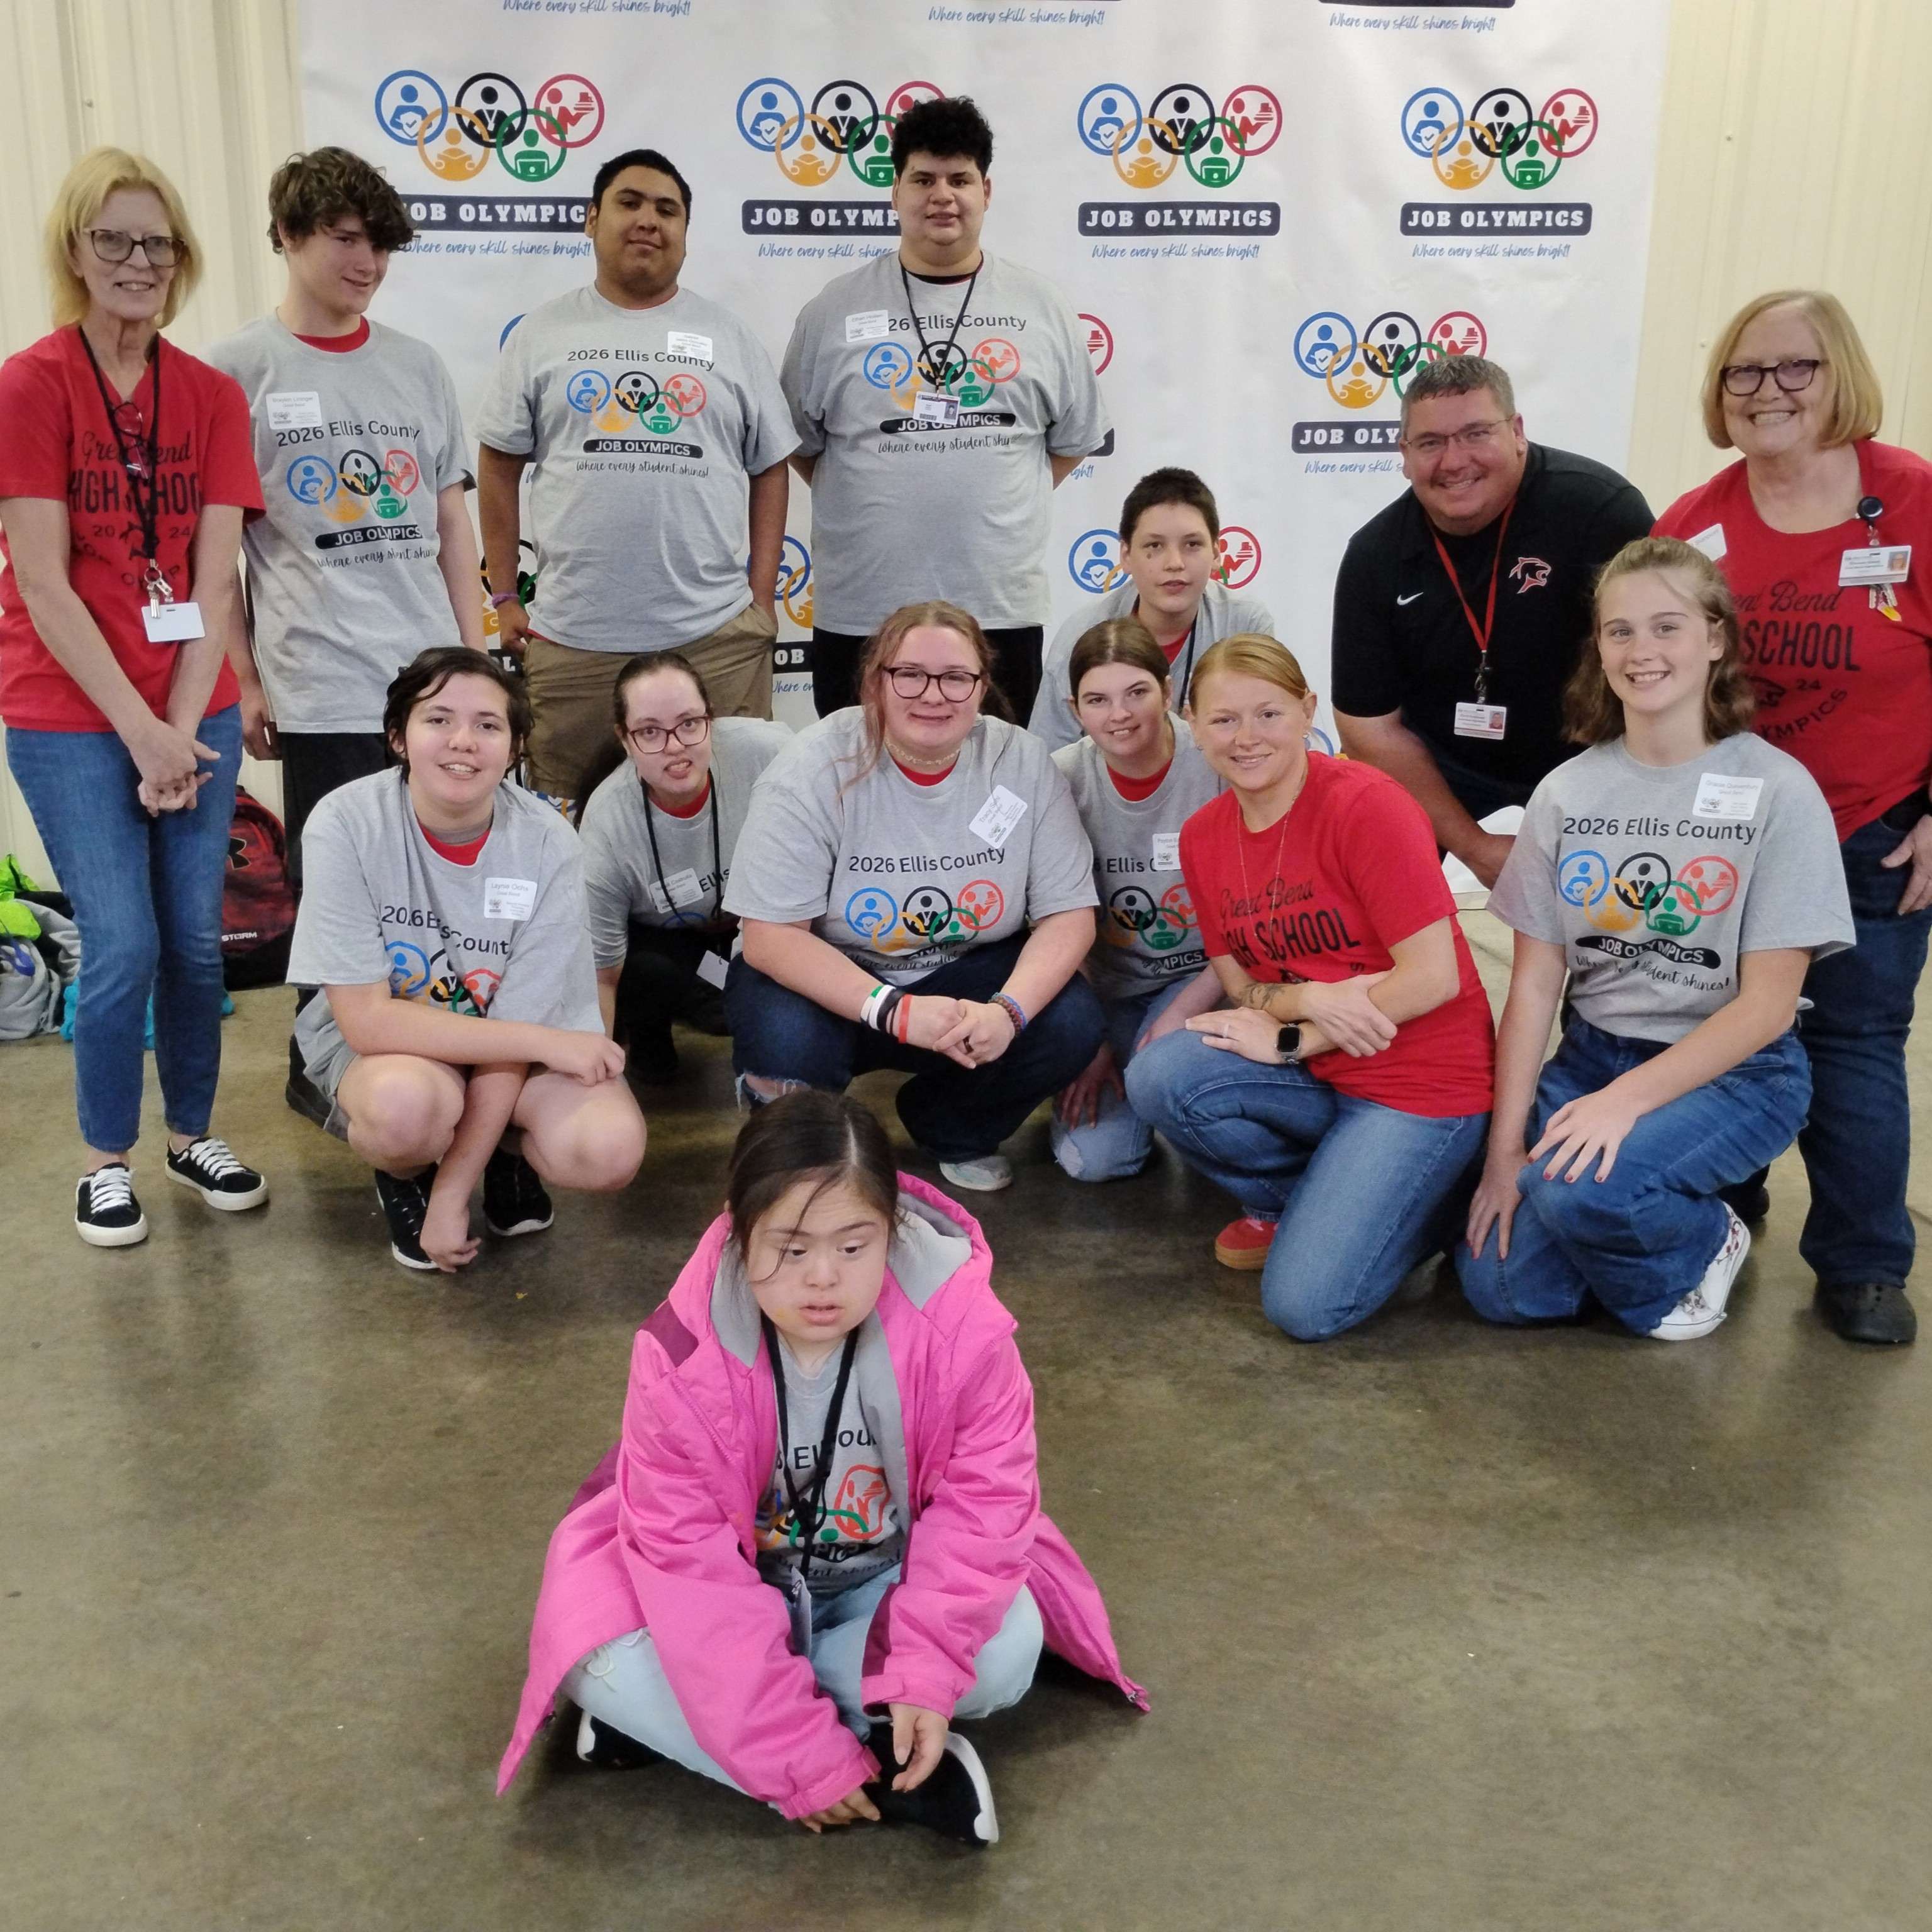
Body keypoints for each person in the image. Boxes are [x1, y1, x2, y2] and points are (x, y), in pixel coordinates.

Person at [496, 1089, 1145, 1841]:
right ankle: (868, 1770)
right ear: (739, 1233)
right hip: (732, 1597)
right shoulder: (678, 1356)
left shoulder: (964, 1329)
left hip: (881, 1586)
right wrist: (801, 1761)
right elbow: (689, 1573)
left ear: (894, 1230)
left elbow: (986, 1509)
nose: (823, 1280)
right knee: (592, 1655)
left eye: (853, 1245)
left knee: (1006, 1651)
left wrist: (925, 1667)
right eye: (791, 1248)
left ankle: (688, 1730)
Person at [1458, 537, 1852, 1338]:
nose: (1642, 652)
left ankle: (1709, 1235)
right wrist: (1505, 1157)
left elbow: (1770, 1006)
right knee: (1497, 1285)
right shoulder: (1566, 792)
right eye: (1620, 632)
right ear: (1598, 649)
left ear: (1715, 639)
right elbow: (1534, 986)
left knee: (1583, 1192)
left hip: (1738, 1072)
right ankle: (1638, 1213)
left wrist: (1623, 1106)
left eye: (1667, 627)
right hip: (1594, 1053)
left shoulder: (1778, 789)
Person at [0, 148, 269, 1248]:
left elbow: (214, 580)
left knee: (196, 944)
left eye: (155, 242)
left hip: (190, 708)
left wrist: (183, 723)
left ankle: (190, 1131)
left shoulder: (206, 396)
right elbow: (44, 580)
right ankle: (105, 1157)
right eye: (112, 239)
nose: (136, 261)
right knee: (120, 943)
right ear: (75, 251)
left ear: (182, 259)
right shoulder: (30, 385)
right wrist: (143, 730)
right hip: (68, 716)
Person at [1655, 289, 1932, 1345]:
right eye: (1743, 372)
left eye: (1794, 369)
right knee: (1720, 1030)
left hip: (1869, 830)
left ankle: (1863, 1263)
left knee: (1856, 1043)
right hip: (1725, 833)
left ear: (1840, 377)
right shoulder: (1692, 523)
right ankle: (1729, 1196)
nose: (1766, 391)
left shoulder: (1908, 501)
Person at [203, 148, 486, 1119]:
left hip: (431, 679)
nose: (366, 262)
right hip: (321, 684)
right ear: (287, 236)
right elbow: (223, 551)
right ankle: (318, 1062)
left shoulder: (415, 363)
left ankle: (432, 1057)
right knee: (340, 894)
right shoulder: (236, 370)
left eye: (380, 245)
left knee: (439, 885)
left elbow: (451, 522)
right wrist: (243, 678)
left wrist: (475, 660)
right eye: (345, 239)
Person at [1124, 636, 1495, 1340]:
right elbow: (1238, 980)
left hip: (1421, 1086)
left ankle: (1437, 1196)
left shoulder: (1365, 805)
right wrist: (1309, 1002)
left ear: (1306, 710)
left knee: (1305, 1305)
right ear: (1192, 725)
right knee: (1160, 1074)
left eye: (1268, 714)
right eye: (1224, 720)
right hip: (1324, 1070)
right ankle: (1312, 1197)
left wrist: (1296, 1038)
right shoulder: (1206, 836)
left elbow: (1434, 977)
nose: (1247, 738)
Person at [723, 601, 1104, 1194]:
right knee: (785, 1037)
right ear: (876, 681)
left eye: (956, 677)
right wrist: (894, 1010)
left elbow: (1069, 915)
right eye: (910, 674)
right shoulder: (810, 766)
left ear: (981, 686)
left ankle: (950, 1123)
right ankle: (805, 1152)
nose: (934, 695)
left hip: (960, 977)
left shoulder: (1021, 762)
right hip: (834, 981)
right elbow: (771, 936)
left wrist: (1007, 1013)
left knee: (1072, 1018)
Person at [284, 648, 646, 1272]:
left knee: (609, 1148)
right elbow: (369, 1022)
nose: (463, 741)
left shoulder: (547, 840)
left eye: (488, 725)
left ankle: (497, 1153)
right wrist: (543, 1041)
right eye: (438, 720)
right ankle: (406, 1171)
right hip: (395, 1049)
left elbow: (511, 1040)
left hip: (514, 1050)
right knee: (406, 1110)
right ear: (398, 737)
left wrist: (456, 1194)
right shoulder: (344, 824)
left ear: (515, 748)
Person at [475, 147, 796, 803]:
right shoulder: (542, 334)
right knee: (573, 822)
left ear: (684, 234)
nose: (649, 219)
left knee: (738, 814)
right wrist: (506, 597)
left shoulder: (728, 336)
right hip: (573, 640)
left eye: (667, 209)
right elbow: (498, 465)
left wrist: (761, 602)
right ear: (591, 220)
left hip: (716, 640)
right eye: (630, 202)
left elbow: (771, 466)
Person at [782, 96, 1109, 723]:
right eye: (923, 179)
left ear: (985, 190)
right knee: (855, 790)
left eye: (959, 179)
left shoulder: (1041, 308)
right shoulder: (834, 311)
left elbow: (1070, 440)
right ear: (895, 191)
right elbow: (799, 442)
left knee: (991, 794)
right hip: (863, 612)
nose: (942, 196)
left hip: (997, 610)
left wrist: (996, 490)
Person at [1331, 353, 1653, 886]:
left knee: (1613, 910)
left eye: (1476, 433)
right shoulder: (1374, 554)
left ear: (1518, 431)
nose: (1454, 461)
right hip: (1441, 759)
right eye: (1430, 443)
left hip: (1585, 752)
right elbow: (1369, 728)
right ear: (1404, 455)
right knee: (1366, 861)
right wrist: (1475, 848)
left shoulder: (1600, 511)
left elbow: (1658, 669)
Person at [1048, 619, 1225, 1180]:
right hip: (1112, 995)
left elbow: (1257, 913)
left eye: (1137, 693)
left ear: (1170, 691)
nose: (1119, 715)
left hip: (1215, 980)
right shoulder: (1060, 780)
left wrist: (1187, 1007)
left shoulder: (1218, 762)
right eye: (1098, 700)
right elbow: (1049, 919)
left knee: (1203, 1110)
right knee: (1095, 1161)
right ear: (1075, 708)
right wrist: (1084, 1040)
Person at [574, 651, 792, 1082]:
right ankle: (650, 1049)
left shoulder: (765, 751)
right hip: (664, 943)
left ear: (711, 719)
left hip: (753, 925)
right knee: (648, 974)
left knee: (747, 1011)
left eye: (690, 724)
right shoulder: (607, 822)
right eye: (650, 732)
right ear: (625, 738)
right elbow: (600, 974)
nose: (675, 746)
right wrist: (595, 1077)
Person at [1030, 468, 1274, 750]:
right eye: (1154, 546)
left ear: (1217, 554)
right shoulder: (1082, 634)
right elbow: (1047, 755)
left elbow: (1266, 738)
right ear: (1125, 556)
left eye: (1192, 544)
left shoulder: (1245, 625)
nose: (1174, 563)